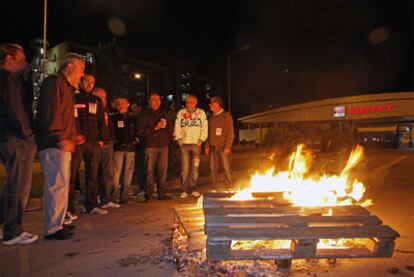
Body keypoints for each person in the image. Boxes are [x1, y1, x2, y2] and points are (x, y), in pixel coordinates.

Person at [35, 53, 85, 240]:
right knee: (56, 185)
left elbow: (64, 116)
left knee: (61, 185)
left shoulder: (65, 87)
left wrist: (73, 135)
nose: (82, 74)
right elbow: (51, 112)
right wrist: (60, 136)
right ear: (70, 66)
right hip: (54, 143)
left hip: (62, 142)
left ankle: (58, 222)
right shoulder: (55, 83)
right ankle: (53, 227)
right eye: (81, 69)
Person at [0, 43, 38, 245]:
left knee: (11, 184)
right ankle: (13, 231)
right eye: (21, 59)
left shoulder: (9, 79)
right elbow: (17, 109)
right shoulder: (10, 80)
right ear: (9, 58)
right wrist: (28, 134)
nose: (25, 63)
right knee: (19, 185)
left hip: (6, 137)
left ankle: (5, 224)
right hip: (16, 138)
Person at [68, 73, 108, 216]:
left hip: (93, 143)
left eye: (92, 82)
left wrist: (102, 139)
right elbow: (70, 119)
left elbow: (101, 121)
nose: (90, 84)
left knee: (93, 175)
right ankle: (68, 208)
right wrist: (74, 136)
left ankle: (91, 205)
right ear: (81, 81)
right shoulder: (73, 97)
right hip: (78, 143)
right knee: (72, 175)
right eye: (87, 81)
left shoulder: (96, 100)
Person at [138, 92, 173, 202]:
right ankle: (149, 195)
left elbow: (170, 129)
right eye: (153, 99)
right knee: (149, 171)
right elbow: (141, 132)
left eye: (158, 99)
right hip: (150, 146)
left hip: (163, 146)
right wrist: (155, 128)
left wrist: (167, 140)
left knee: (162, 171)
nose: (156, 102)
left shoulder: (165, 113)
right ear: (149, 101)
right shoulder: (144, 115)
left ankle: (161, 194)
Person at [174, 95, 208, 198]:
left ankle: (193, 188)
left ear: (196, 102)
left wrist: (201, 140)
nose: (189, 103)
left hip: (196, 145)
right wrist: (179, 141)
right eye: (188, 101)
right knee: (185, 168)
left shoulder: (201, 113)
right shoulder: (181, 113)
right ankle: (184, 190)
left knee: (195, 168)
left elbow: (205, 127)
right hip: (184, 145)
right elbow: (177, 127)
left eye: (192, 102)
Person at [92, 87, 119, 208]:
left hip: (108, 144)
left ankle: (107, 198)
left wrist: (112, 139)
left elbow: (110, 127)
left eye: (105, 97)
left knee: (108, 172)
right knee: (96, 172)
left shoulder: (105, 111)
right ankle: (95, 198)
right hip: (97, 144)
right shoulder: (92, 109)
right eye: (100, 97)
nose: (104, 100)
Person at [112, 97, 139, 204]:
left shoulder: (133, 118)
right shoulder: (113, 118)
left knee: (128, 174)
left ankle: (124, 196)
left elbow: (138, 131)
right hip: (118, 149)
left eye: (123, 103)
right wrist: (117, 142)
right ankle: (114, 197)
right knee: (116, 173)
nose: (121, 105)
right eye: (119, 103)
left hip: (131, 149)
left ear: (128, 105)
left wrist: (135, 140)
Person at [205, 96, 235, 191]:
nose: (210, 105)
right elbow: (207, 132)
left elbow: (230, 132)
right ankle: (214, 187)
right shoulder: (211, 117)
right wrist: (207, 145)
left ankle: (230, 186)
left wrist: (227, 146)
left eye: (212, 103)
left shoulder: (226, 116)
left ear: (218, 104)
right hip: (213, 147)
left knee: (226, 168)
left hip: (223, 147)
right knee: (213, 169)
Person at [130, 101, 146, 195]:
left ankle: (144, 187)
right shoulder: (132, 118)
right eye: (132, 108)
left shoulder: (142, 117)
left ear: (140, 108)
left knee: (142, 167)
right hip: (135, 147)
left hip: (143, 146)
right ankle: (141, 187)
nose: (133, 110)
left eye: (135, 108)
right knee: (138, 168)